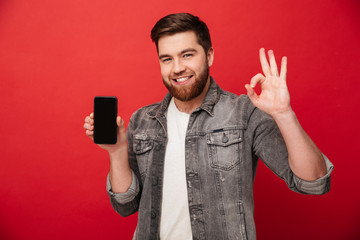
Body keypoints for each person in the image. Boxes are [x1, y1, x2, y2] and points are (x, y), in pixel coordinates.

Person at [83, 13, 333, 240]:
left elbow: (313, 182)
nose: (178, 67)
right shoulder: (142, 120)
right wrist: (116, 151)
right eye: (167, 59)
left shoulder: (244, 113)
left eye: (187, 55)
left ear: (209, 55)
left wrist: (283, 114)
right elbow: (126, 205)